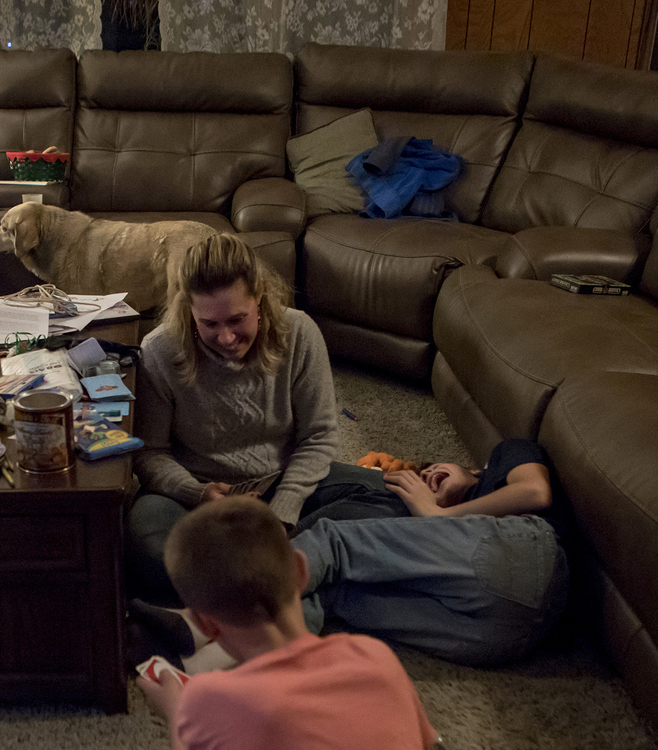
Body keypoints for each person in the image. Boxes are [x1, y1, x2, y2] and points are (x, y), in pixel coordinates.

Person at [134, 439, 569, 668]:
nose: (434, 473)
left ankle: (198, 620)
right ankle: (199, 661)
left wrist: (430, 509)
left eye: (444, 469)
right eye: (428, 471)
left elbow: (535, 491)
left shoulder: (506, 456)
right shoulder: (424, 537)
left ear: (472, 468)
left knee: (333, 542)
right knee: (337, 595)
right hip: (503, 639)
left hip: (530, 558)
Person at [127, 233, 340, 606]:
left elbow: (319, 436)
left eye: (237, 319)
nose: (225, 337)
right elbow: (151, 453)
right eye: (209, 324)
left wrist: (282, 514)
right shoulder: (160, 349)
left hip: (281, 484)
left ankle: (224, 601)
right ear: (188, 309)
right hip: (199, 495)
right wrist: (200, 493)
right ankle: (285, 587)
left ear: (259, 297)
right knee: (144, 543)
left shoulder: (300, 332)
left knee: (383, 502)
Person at [136, 495, 440, 750]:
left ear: (203, 622)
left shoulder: (209, 700)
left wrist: (176, 708)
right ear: (301, 571)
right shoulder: (377, 657)